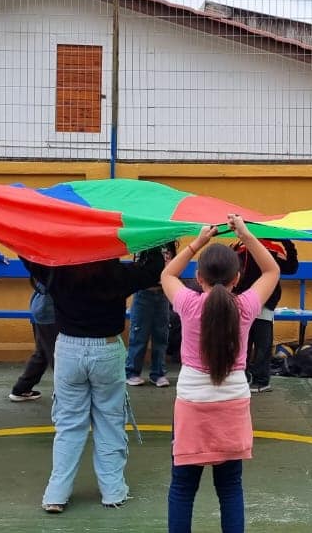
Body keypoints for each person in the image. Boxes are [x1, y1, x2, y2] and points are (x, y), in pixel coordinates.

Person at [21, 248, 166, 513]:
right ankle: (113, 491)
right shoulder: (119, 274)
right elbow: (154, 268)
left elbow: (27, 254)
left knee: (68, 424)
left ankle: (56, 493)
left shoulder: (56, 271)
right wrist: (149, 241)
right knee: (110, 421)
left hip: (68, 349)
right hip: (107, 350)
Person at [162, 215, 280, 533]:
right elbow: (272, 270)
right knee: (230, 489)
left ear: (198, 277)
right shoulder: (245, 307)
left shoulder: (187, 303)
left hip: (191, 403)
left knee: (183, 488)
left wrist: (197, 242)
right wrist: (245, 234)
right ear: (237, 278)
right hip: (233, 402)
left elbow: (167, 274)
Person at [233, 239, 297, 393]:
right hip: (242, 304)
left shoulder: (273, 249)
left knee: (262, 344)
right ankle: (242, 376)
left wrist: (287, 242)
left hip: (264, 304)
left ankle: (261, 380)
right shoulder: (238, 248)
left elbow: (291, 267)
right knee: (243, 343)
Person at [126, 242, 178, 388]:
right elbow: (138, 266)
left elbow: (174, 267)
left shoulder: (169, 246)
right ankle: (132, 372)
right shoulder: (145, 244)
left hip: (162, 294)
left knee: (161, 335)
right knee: (138, 334)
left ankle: (158, 373)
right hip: (144, 293)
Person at [9, 275, 56, 402]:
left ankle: (22, 388)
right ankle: (62, 391)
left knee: (43, 351)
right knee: (55, 353)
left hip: (41, 308)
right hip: (52, 311)